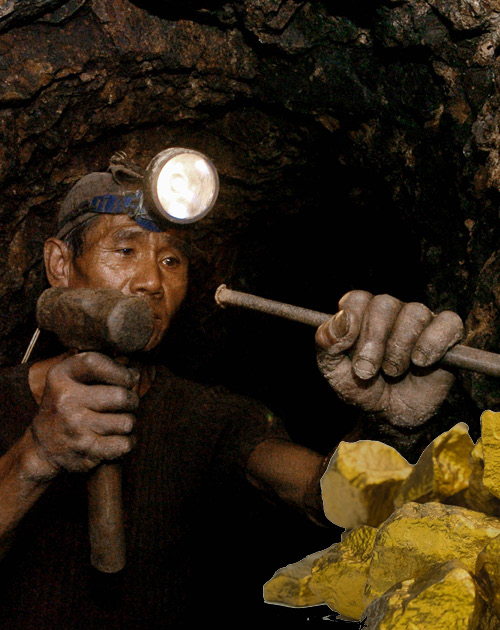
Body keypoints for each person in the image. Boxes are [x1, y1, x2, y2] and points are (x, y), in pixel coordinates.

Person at [0, 160, 464, 627]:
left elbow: (315, 492)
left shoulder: (205, 415)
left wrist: (391, 424)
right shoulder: (3, 400)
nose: (152, 283)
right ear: (60, 264)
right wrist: (37, 454)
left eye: (171, 260)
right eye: (125, 250)